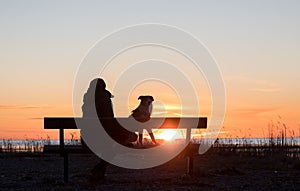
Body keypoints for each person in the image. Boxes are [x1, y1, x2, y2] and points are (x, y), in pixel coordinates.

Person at [81, 78, 137, 181]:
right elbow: (108, 119)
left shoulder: (87, 98)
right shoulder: (104, 97)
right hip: (102, 138)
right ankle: (100, 168)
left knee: (120, 140)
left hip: (86, 139)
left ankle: (99, 170)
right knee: (125, 139)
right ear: (104, 87)